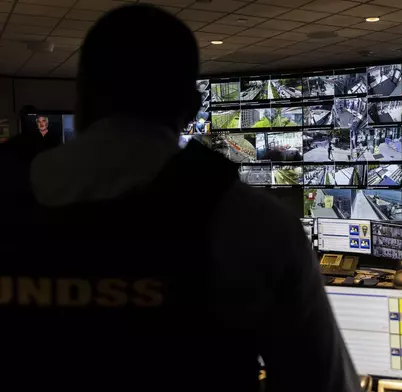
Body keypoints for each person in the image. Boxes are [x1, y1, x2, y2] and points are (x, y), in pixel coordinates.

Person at [0, 5, 360, 392]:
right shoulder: (257, 225)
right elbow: (324, 382)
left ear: (81, 95)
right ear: (191, 107)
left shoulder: (9, 195)